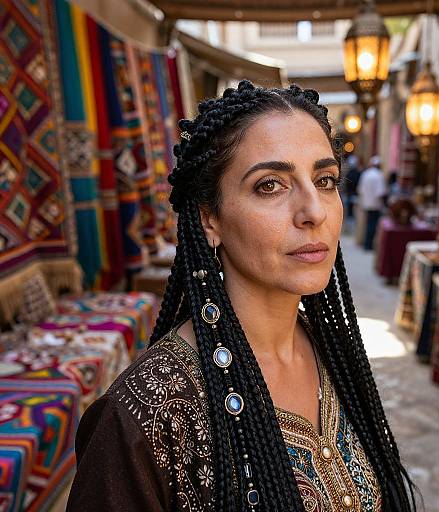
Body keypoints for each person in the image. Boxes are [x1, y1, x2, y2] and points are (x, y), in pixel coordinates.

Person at [66, 81, 417, 512]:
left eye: (325, 180)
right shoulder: (145, 417)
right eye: (270, 185)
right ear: (209, 219)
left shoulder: (335, 354)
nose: (315, 212)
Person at [357, 156, 387, 251]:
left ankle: (366, 243)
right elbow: (380, 193)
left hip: (366, 204)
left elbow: (360, 189)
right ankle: (369, 245)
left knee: (368, 224)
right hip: (375, 205)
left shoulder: (365, 174)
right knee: (372, 225)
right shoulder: (379, 175)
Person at [344, 154, 362, 219]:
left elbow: (346, 184)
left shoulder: (349, 174)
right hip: (355, 195)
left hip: (350, 194)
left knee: (350, 213)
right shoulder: (359, 173)